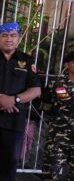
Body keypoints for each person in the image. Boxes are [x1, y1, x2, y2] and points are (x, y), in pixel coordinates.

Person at [0, 22, 41, 181]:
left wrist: (14, 99)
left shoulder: (27, 61)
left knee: (10, 161)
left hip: (14, 118)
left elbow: (36, 90)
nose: (8, 39)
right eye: (4, 35)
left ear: (18, 39)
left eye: (12, 36)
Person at [42, 51, 74, 180]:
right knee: (50, 172)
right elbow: (47, 106)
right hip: (58, 137)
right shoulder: (57, 84)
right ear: (67, 64)